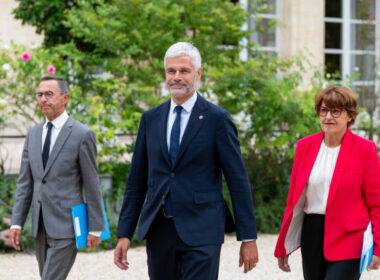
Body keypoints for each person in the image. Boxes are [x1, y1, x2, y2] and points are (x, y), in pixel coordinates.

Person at [114, 42, 258, 279]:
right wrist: (125, 233)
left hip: (203, 229)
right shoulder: (150, 119)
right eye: (171, 71)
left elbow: (237, 180)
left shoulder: (217, 119)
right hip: (160, 230)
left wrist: (248, 237)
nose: (176, 77)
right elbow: (136, 181)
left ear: (198, 73)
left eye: (184, 71)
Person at [274, 85, 380, 279]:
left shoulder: (365, 149)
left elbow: (377, 204)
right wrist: (284, 244)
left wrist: (378, 249)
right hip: (312, 232)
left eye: (335, 111)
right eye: (323, 110)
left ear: (350, 116)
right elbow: (293, 201)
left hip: (350, 238)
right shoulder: (304, 146)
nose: (328, 116)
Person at [9, 76, 105, 280]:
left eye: (49, 94)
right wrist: (16, 223)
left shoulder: (82, 134)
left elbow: (92, 184)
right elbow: (25, 184)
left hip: (68, 226)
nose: (43, 99)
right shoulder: (33, 134)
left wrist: (96, 227)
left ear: (65, 98)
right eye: (40, 94)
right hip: (40, 226)